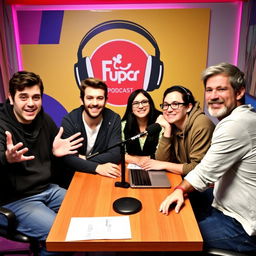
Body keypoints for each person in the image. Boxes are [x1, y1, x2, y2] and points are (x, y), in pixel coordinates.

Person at [159, 63, 256, 253]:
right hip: (223, 202)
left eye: (221, 89)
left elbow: (204, 172)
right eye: (209, 90)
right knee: (169, 207)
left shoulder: (236, 124)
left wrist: (180, 189)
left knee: (173, 235)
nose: (213, 96)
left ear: (239, 92)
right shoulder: (238, 119)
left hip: (242, 225)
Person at [0, 71, 83, 256]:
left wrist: (56, 155)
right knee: (60, 236)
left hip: (47, 189)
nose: (31, 103)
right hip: (15, 200)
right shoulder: (1, 124)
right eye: (23, 97)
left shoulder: (44, 120)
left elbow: (53, 160)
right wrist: (6, 158)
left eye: (36, 97)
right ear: (11, 98)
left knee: (85, 212)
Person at [140, 85, 215, 176]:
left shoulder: (202, 124)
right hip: (185, 178)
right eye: (166, 105)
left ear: (188, 107)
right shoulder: (172, 123)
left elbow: (198, 168)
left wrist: (164, 165)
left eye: (175, 104)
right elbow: (161, 161)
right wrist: (167, 129)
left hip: (208, 185)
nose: (169, 109)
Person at [60, 78, 121, 187]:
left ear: (106, 100)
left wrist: (84, 158)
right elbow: (68, 158)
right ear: (81, 100)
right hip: (75, 177)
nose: (95, 103)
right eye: (89, 98)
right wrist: (97, 167)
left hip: (101, 178)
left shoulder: (114, 118)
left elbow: (115, 154)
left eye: (100, 98)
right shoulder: (69, 120)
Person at [121, 89, 162, 165]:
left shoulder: (160, 123)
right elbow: (119, 153)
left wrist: (135, 158)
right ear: (131, 108)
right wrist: (137, 160)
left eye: (144, 102)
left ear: (150, 104)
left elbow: (163, 155)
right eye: (136, 103)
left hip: (157, 167)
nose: (140, 106)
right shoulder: (123, 125)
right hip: (130, 167)